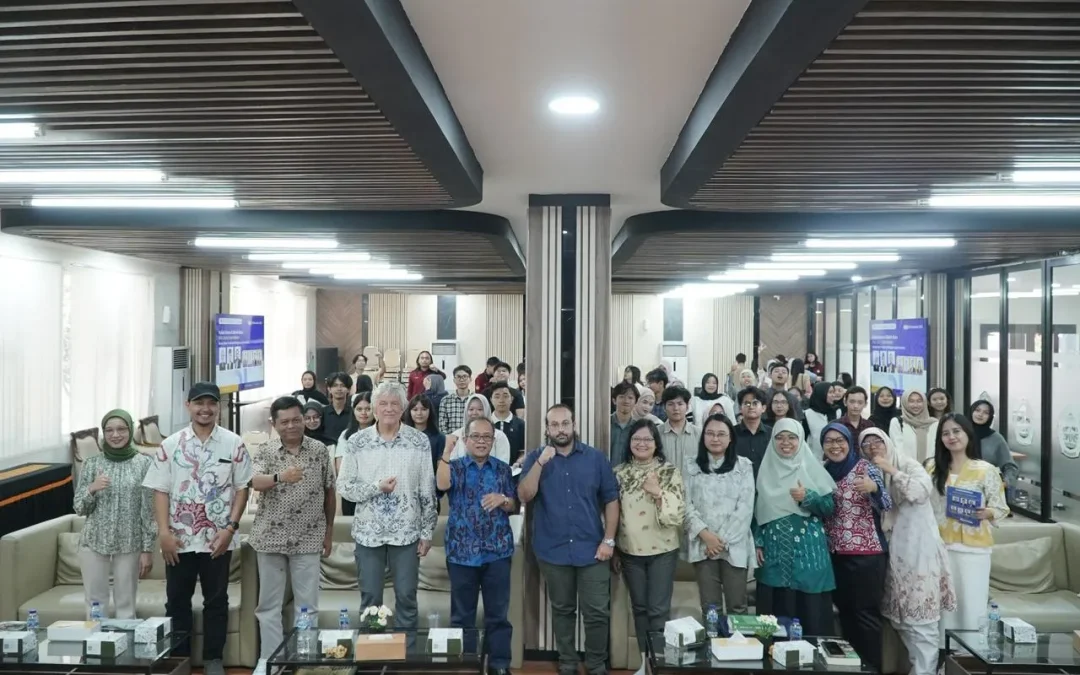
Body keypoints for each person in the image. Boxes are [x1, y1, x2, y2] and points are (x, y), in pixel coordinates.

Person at [142, 383, 252, 675]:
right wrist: (163, 533)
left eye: (211, 403)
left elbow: (243, 488)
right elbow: (160, 491)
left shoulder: (234, 443)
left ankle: (214, 659)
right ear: (187, 405)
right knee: (177, 602)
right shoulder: (171, 445)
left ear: (219, 407)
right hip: (178, 539)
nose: (206, 409)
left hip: (218, 539)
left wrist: (230, 528)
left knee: (216, 601)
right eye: (199, 403)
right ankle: (180, 661)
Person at [518, 405, 619, 675]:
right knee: (562, 611)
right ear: (547, 429)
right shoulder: (536, 458)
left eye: (565, 423)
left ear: (574, 425)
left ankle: (597, 664)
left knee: (597, 612)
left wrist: (609, 541)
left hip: (592, 550)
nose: (560, 429)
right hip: (553, 550)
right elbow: (524, 495)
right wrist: (540, 463)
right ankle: (567, 662)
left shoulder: (596, 458)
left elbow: (611, 500)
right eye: (554, 425)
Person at [336, 382, 438, 634]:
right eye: (383, 403)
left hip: (407, 532)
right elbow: (345, 487)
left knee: (406, 598)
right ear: (373, 408)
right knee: (370, 601)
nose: (389, 409)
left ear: (403, 407)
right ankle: (372, 660)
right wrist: (376, 487)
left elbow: (427, 490)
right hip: (368, 533)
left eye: (395, 403)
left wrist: (426, 532)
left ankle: (406, 661)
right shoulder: (357, 442)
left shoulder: (419, 441)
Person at [858, 428, 955, 675]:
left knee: (923, 620)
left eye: (877, 441)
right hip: (893, 555)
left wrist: (891, 469)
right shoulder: (869, 473)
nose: (872, 447)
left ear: (887, 442)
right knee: (901, 619)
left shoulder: (909, 465)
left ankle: (925, 671)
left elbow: (920, 493)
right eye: (866, 444)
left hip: (920, 552)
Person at [249, 396, 335, 660]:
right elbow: (253, 481)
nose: (292, 426)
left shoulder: (319, 450)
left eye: (296, 420)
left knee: (307, 606)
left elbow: (329, 492)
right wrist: (280, 477)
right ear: (274, 424)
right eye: (284, 422)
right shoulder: (265, 450)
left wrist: (328, 532)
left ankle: (304, 659)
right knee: (269, 606)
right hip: (270, 538)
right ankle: (270, 660)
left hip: (309, 538)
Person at [436, 417, 516, 675]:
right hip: (462, 553)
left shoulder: (503, 469)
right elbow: (441, 485)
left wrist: (503, 499)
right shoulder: (455, 466)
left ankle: (499, 664)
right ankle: (467, 664)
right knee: (462, 616)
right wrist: (446, 452)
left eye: (487, 437)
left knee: (498, 616)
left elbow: (514, 504)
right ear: (467, 439)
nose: (481, 441)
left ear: (493, 441)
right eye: (476, 437)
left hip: (497, 553)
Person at [926, 414, 1009, 635]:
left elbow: (1001, 508)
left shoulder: (986, 469)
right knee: (944, 608)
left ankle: (970, 660)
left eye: (956, 431)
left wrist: (987, 512)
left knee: (971, 606)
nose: (951, 437)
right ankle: (945, 660)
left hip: (975, 550)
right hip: (940, 547)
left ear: (967, 434)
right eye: (945, 433)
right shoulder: (932, 468)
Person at [612, 419, 684, 675]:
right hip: (630, 552)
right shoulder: (619, 472)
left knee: (657, 610)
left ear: (656, 444)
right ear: (629, 443)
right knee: (639, 608)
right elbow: (614, 514)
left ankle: (659, 664)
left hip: (662, 550)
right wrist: (615, 549)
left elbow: (677, 515)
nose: (641, 444)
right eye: (636, 439)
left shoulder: (668, 471)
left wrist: (657, 493)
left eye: (647, 440)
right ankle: (645, 663)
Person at [753, 419, 836, 637]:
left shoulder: (812, 468)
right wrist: (758, 541)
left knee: (811, 619)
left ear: (801, 440)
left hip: (808, 557)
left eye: (792, 437)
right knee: (774, 625)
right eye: (779, 437)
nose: (785, 442)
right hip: (773, 554)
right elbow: (756, 511)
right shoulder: (765, 472)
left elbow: (829, 508)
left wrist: (808, 497)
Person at [821, 423, 891, 671]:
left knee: (866, 616)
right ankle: (851, 668)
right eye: (829, 441)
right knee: (846, 615)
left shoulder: (865, 467)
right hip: (836, 555)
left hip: (867, 556)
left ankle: (871, 668)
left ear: (849, 443)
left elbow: (886, 502)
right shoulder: (823, 471)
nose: (835, 445)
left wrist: (874, 488)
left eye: (840, 440)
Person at [73, 409, 155, 619]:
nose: (115, 435)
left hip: (129, 542)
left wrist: (147, 549)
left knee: (126, 604)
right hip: (94, 542)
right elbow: (79, 508)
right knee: (95, 604)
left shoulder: (144, 464)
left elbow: (148, 510)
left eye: (121, 429)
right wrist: (92, 488)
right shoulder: (92, 464)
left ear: (130, 430)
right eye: (109, 430)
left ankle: (125, 651)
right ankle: (96, 650)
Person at [684, 414, 755, 616]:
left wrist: (719, 542)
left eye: (721, 434)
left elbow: (745, 507)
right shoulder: (691, 466)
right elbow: (685, 505)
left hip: (734, 545)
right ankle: (712, 648)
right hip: (703, 545)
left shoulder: (743, 466)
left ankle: (739, 648)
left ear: (730, 438)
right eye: (710, 433)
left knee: (737, 606)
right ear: (703, 436)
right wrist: (707, 537)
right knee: (710, 608)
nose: (715, 439)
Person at [969, 400, 1019, 494]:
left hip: (987, 489)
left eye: (986, 412)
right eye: (977, 410)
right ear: (971, 412)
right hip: (960, 487)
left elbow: (1010, 466)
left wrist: (1004, 483)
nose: (980, 414)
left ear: (990, 417)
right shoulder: (961, 434)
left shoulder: (996, 438)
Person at [446, 394, 511, 464]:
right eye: (471, 409)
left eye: (480, 409)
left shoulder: (499, 436)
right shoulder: (456, 435)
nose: (474, 413)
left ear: (487, 410)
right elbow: (451, 465)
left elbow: (503, 465)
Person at [890, 390, 939, 463]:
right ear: (905, 403)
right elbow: (898, 451)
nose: (915, 405)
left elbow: (937, 450)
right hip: (906, 470)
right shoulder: (897, 422)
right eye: (911, 401)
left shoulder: (935, 424)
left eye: (919, 401)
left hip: (931, 471)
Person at [733, 387, 771, 477]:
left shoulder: (772, 434)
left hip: (765, 485)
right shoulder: (730, 433)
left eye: (755, 403)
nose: (751, 407)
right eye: (747, 403)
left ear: (763, 408)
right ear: (740, 408)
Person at [403, 395, 446, 474]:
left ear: (430, 411)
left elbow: (441, 469)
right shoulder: (402, 436)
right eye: (415, 409)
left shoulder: (439, 438)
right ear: (409, 412)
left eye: (424, 409)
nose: (419, 413)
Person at [489, 381, 525, 461]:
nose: (501, 400)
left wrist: (519, 462)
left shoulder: (521, 425)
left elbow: (523, 452)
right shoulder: (485, 424)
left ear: (511, 399)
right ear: (491, 400)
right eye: (497, 397)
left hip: (513, 470)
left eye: (505, 396)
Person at [804, 382, 838, 459]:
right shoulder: (807, 414)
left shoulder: (836, 412)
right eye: (830, 392)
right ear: (821, 394)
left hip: (834, 458)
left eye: (833, 392)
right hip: (813, 458)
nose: (833, 395)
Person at [439, 365, 474, 436]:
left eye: (465, 376)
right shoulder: (446, 400)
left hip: (472, 440)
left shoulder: (476, 399)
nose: (461, 380)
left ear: (470, 379)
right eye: (458, 377)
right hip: (452, 441)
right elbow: (442, 426)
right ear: (454, 380)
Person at [610, 382, 639, 466]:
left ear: (635, 402)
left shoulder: (638, 428)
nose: (626, 401)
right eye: (621, 397)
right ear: (614, 400)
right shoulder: (604, 424)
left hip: (629, 476)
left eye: (630, 398)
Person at [321, 372, 353, 443]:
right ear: (329, 389)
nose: (339, 389)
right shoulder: (322, 412)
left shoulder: (354, 413)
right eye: (335, 385)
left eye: (342, 385)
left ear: (349, 389)